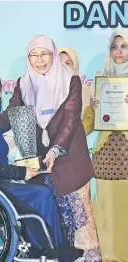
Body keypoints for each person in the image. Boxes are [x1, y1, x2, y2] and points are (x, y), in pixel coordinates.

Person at [0, 67, 82, 260]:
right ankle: (49, 251)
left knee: (40, 191)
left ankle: (50, 249)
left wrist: (25, 167)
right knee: (41, 195)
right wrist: (20, 173)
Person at [0, 35, 101, 261]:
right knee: (49, 223)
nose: (39, 60)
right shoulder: (23, 84)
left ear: (53, 55)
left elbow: (71, 119)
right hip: (41, 165)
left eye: (44, 54)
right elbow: (11, 115)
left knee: (79, 221)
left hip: (69, 160)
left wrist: (55, 150)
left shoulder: (70, 80)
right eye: (34, 55)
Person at [83, 29, 128, 262]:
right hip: (106, 159)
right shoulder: (102, 78)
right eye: (114, 46)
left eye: (124, 46)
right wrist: (92, 107)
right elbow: (87, 126)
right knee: (108, 213)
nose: (118, 52)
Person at [58, 46, 101, 261]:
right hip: (55, 163)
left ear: (75, 66)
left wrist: (95, 110)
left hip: (76, 159)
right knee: (62, 212)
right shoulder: (48, 91)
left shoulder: (85, 91)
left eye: (69, 64)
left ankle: (89, 254)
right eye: (60, 63)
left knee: (81, 209)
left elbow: (89, 125)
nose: (64, 68)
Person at [58, 47, 93, 120]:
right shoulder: (46, 93)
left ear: (75, 66)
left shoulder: (89, 93)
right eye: (59, 63)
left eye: (67, 63)